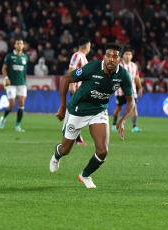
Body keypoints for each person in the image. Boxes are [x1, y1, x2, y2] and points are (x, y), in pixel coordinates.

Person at [49, 43, 134, 188]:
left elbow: (131, 101)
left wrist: (123, 120)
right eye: (108, 56)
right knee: (66, 150)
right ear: (104, 57)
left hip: (99, 110)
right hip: (78, 108)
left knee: (102, 151)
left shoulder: (123, 75)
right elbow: (65, 79)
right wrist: (63, 107)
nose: (111, 59)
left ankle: (85, 175)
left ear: (120, 59)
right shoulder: (93, 67)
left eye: (115, 56)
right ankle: (57, 153)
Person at [0, 38, 28, 132]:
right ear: (15, 45)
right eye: (17, 44)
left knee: (22, 103)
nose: (19, 45)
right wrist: (6, 78)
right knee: (11, 104)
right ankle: (3, 118)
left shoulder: (25, 57)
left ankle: (17, 126)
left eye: (21, 44)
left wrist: (24, 81)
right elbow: (4, 68)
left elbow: (24, 71)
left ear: (23, 46)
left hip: (22, 83)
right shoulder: (10, 56)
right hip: (11, 83)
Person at [112, 48, 143, 133]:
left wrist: (140, 87)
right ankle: (114, 124)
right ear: (123, 56)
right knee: (119, 107)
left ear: (132, 56)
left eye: (129, 54)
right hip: (120, 91)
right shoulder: (119, 66)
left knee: (134, 107)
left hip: (132, 91)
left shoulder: (134, 66)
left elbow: (136, 77)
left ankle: (134, 127)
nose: (128, 56)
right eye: (126, 54)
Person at [68, 37, 91, 145]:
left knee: (78, 113)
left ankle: (73, 136)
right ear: (86, 47)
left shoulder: (83, 57)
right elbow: (71, 70)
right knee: (78, 113)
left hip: (81, 90)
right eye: (90, 46)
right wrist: (72, 84)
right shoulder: (77, 56)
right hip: (76, 89)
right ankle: (76, 138)